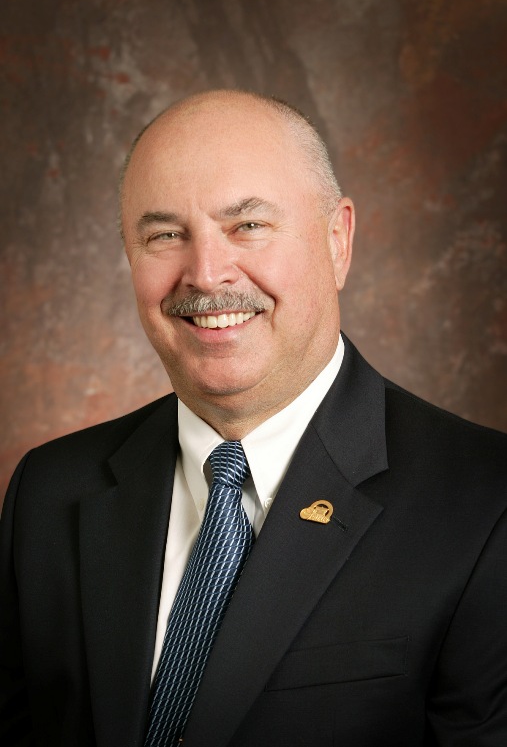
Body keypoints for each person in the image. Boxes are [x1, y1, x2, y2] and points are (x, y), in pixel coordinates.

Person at [1, 89, 507, 747]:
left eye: (247, 225)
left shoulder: (484, 503)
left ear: (337, 240)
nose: (207, 274)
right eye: (165, 235)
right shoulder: (49, 491)